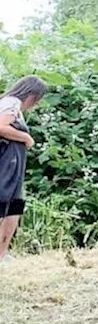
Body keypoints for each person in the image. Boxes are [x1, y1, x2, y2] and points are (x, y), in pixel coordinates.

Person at [0, 75, 48, 263]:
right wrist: (26, 138)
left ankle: (3, 253)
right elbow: (1, 127)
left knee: (14, 207)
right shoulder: (10, 103)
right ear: (31, 95)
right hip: (5, 163)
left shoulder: (14, 107)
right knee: (3, 204)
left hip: (13, 166)